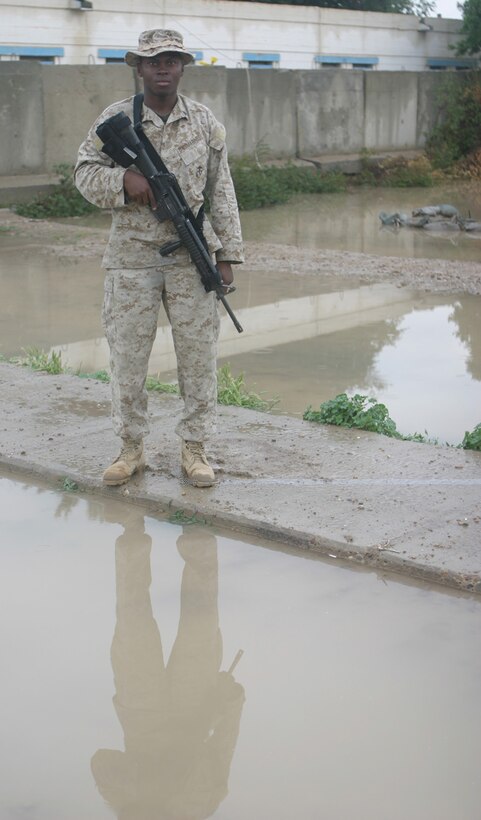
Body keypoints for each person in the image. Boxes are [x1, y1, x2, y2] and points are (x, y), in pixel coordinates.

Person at [74, 29, 244, 488]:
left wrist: (226, 255)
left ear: (183, 67)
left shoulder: (205, 122)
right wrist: (124, 182)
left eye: (171, 60)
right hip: (131, 259)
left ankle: (195, 449)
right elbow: (83, 173)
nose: (163, 68)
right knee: (127, 359)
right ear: (139, 68)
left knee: (197, 357)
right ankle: (131, 448)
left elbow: (221, 190)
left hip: (191, 256)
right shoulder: (115, 119)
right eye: (154, 61)